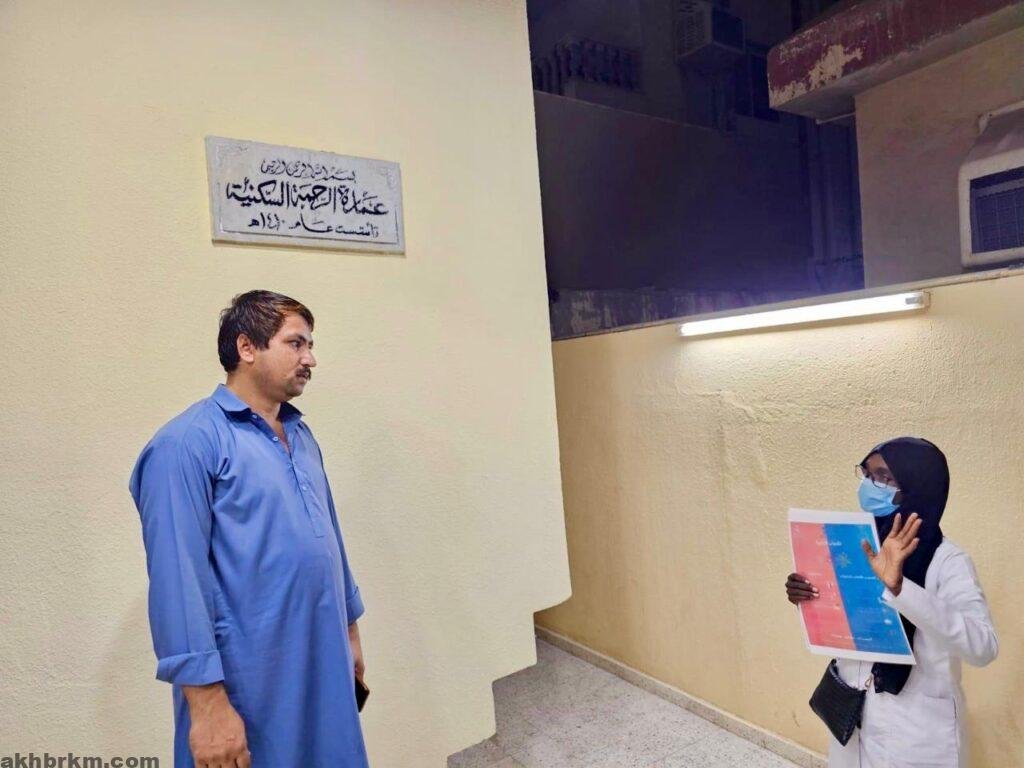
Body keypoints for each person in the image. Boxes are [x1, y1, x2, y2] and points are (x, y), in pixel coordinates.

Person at [129, 290, 369, 768]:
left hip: (322, 664)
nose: (310, 359)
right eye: (296, 343)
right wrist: (207, 704)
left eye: (310, 345)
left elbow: (330, 543)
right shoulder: (186, 444)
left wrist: (349, 630)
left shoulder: (300, 435)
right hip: (248, 683)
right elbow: (178, 580)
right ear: (246, 347)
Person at [786, 437, 997, 768]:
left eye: (884, 477)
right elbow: (851, 619)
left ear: (917, 485)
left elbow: (983, 647)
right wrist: (809, 594)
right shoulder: (858, 545)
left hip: (917, 733)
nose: (871, 485)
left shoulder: (949, 561)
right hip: (852, 716)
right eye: (868, 474)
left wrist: (901, 590)